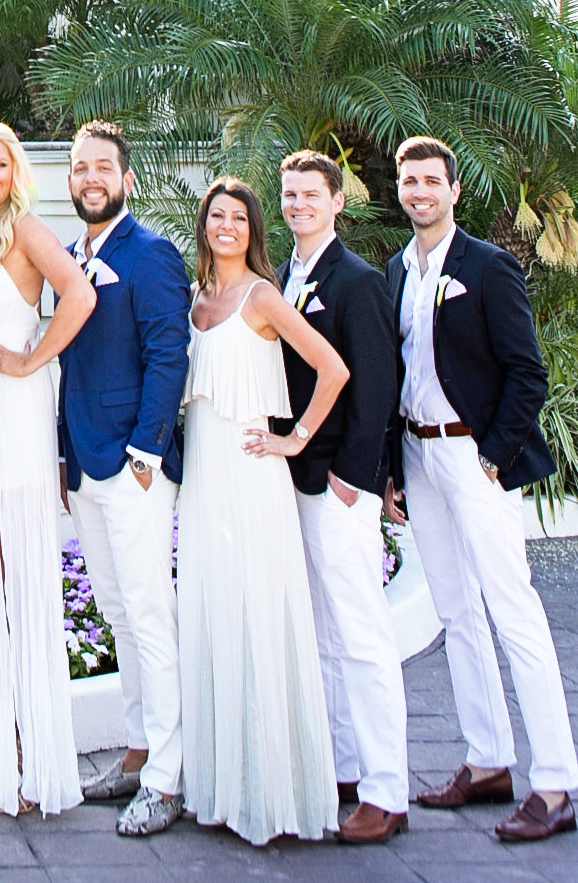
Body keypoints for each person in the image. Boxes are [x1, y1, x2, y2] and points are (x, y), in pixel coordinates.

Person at [384, 136, 578, 845]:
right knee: (455, 612)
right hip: (418, 454)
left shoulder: (488, 266)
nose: (419, 191)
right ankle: (487, 759)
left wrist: (494, 455)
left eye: (430, 180)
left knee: (512, 610)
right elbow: (396, 373)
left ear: (454, 189)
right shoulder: (396, 270)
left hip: (475, 456)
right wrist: (392, 466)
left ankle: (553, 784)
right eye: (409, 181)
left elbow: (527, 371)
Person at [181, 177, 343, 846]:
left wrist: (294, 437)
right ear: (204, 225)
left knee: (255, 615)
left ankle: (269, 795)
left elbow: (331, 368)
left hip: (251, 475)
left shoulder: (262, 296)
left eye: (238, 218)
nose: (226, 226)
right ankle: (219, 789)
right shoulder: (196, 297)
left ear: (252, 230)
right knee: (212, 612)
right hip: (202, 477)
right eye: (216, 215)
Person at [0, 121, 95, 819]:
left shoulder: (29, 230)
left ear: (15, 171)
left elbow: (80, 296)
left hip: (15, 408)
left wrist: (32, 358)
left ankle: (37, 760)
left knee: (20, 579)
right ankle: (1, 750)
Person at [56, 119, 189, 840]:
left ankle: (166, 777)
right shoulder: (71, 255)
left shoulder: (151, 253)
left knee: (148, 613)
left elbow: (168, 353)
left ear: (126, 178)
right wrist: (63, 458)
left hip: (133, 466)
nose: (90, 178)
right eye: (81, 167)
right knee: (115, 612)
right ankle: (138, 751)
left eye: (102, 166)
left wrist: (146, 452)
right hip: (83, 463)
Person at [274, 150, 408, 845]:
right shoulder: (281, 276)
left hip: (338, 484)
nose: (297, 204)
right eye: (289, 194)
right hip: (294, 480)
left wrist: (355, 476)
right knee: (322, 634)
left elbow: (377, 385)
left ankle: (387, 791)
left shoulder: (355, 280)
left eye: (309, 194)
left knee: (361, 636)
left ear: (336, 202)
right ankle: (343, 769)